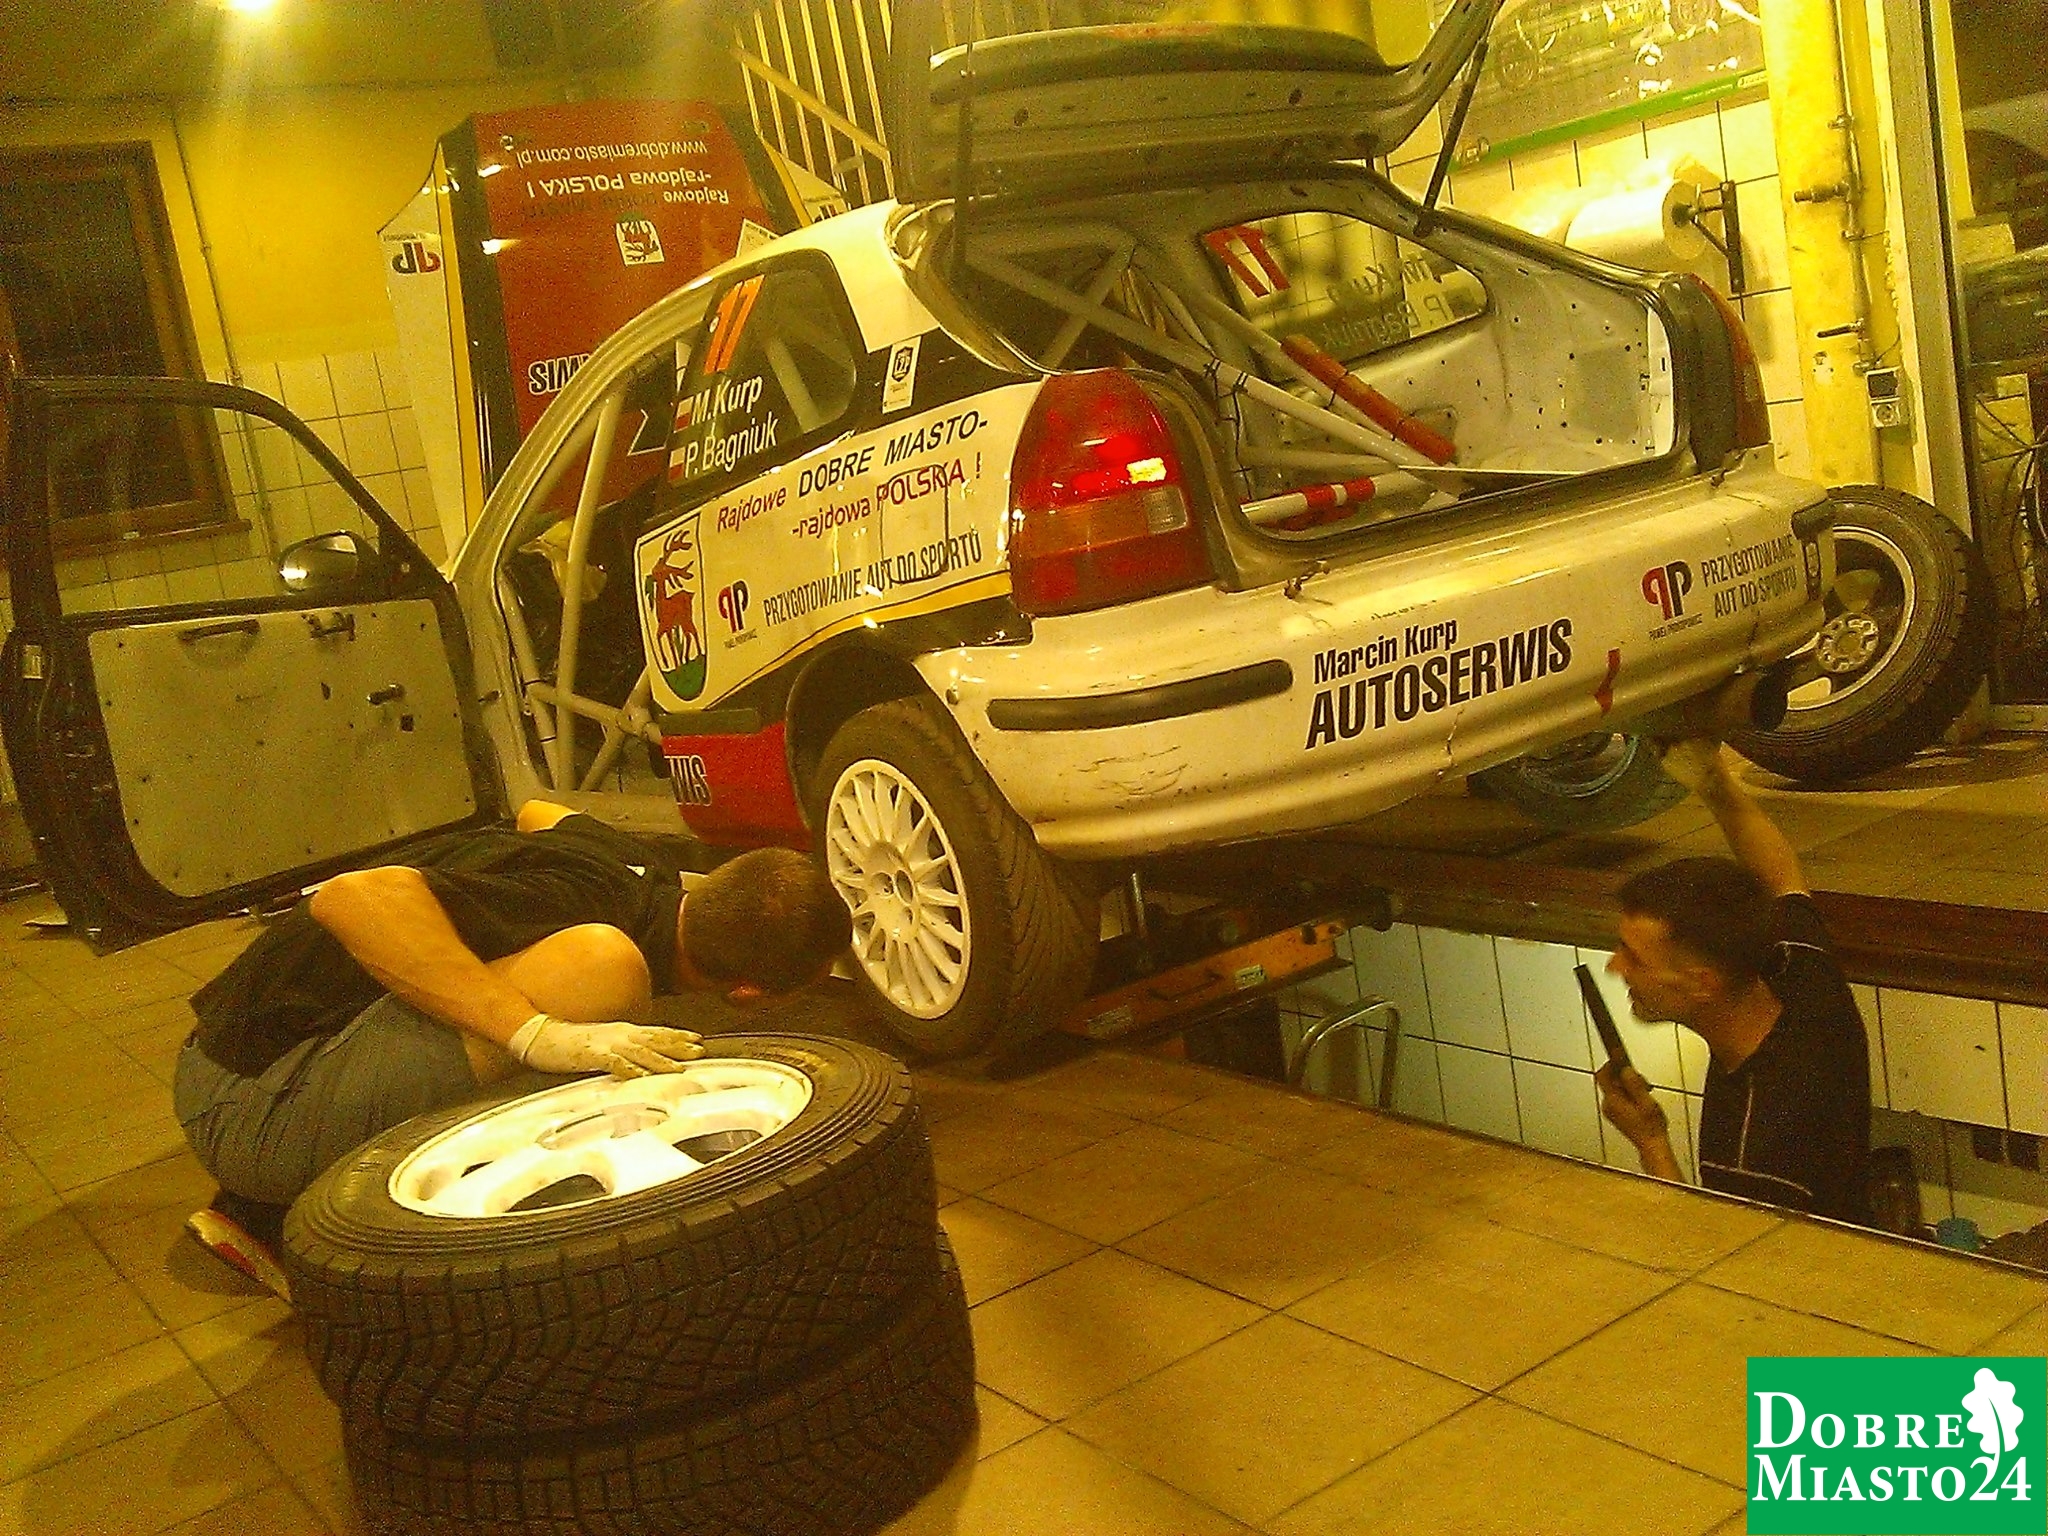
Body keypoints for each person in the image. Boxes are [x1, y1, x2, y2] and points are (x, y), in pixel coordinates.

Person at [175, 801, 851, 1296]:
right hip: (246, 1105)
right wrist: (540, 1035)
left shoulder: (628, 863)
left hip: (258, 1046)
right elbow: (355, 896)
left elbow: (537, 812)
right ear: (749, 995)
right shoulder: (607, 939)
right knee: (598, 979)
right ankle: (278, 1215)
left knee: (567, 1003)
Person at [1595, 740, 1872, 1225]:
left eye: (1634, 957)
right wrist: (1713, 780)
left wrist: (1651, 1141)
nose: (1614, 967)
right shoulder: (1801, 973)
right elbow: (1782, 878)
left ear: (1702, 983)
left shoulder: (1755, 1146)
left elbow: (1714, 1254)